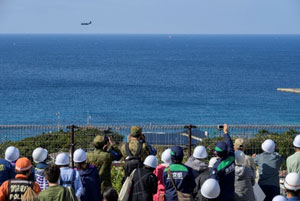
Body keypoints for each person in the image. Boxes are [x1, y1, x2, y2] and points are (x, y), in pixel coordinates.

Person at [211, 124, 235, 201]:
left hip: (221, 196)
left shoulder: (217, 167)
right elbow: (229, 144)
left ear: (216, 153)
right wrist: (225, 132)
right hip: (231, 193)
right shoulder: (231, 156)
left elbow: (213, 183)